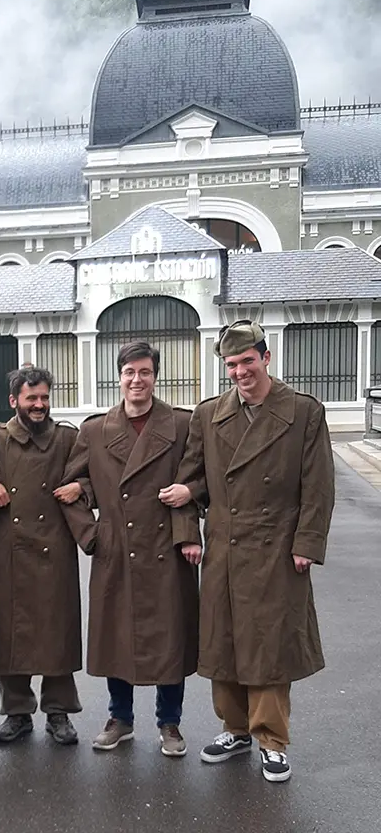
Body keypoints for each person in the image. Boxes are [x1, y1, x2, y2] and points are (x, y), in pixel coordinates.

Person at [163, 320, 335, 783]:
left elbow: (318, 486)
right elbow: (189, 479)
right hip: (224, 546)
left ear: (266, 358)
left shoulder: (303, 413)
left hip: (277, 548)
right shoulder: (209, 414)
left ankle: (271, 739)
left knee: (269, 646)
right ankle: (235, 729)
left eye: (247, 362)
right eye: (232, 364)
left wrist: (307, 543)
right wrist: (188, 533)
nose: (240, 372)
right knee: (224, 643)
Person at [61, 341, 201, 757]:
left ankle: (169, 722)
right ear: (118, 377)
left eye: (144, 372)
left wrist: (189, 508)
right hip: (116, 549)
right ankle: (120, 718)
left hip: (165, 548)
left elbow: (200, 479)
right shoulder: (95, 430)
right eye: (129, 373)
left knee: (169, 637)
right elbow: (71, 490)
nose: (136, 380)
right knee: (116, 636)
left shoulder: (181, 425)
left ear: (155, 377)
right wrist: (93, 536)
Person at [0, 367, 85, 746]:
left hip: (55, 547)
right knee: (9, 631)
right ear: (14, 401)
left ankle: (59, 713)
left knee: (55, 630)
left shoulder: (67, 439)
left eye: (44, 397)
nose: (39, 405)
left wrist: (81, 485)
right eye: (31, 399)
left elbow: (94, 474)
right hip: (10, 547)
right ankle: (16, 713)